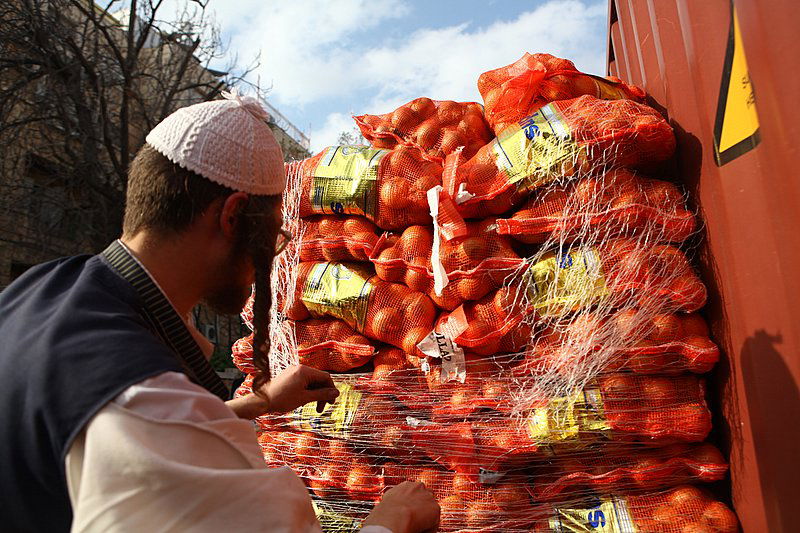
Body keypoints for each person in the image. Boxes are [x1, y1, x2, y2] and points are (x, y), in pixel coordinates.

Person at [0, 92, 440, 532]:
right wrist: (390, 520)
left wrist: (258, 404)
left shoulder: (39, 288)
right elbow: (155, 427)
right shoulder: (141, 396)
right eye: (273, 236)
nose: (270, 256)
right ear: (232, 217)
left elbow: (128, 436)